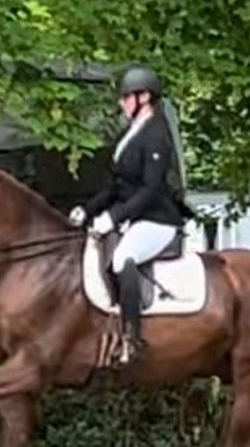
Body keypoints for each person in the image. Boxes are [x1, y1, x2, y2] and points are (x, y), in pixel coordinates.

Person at [69, 64, 189, 365]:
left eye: (126, 98)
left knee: (123, 259)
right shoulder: (131, 134)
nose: (122, 104)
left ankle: (132, 338)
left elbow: (150, 189)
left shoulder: (157, 135)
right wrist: (88, 209)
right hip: (136, 218)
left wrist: (114, 217)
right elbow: (115, 185)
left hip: (158, 220)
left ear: (144, 98)